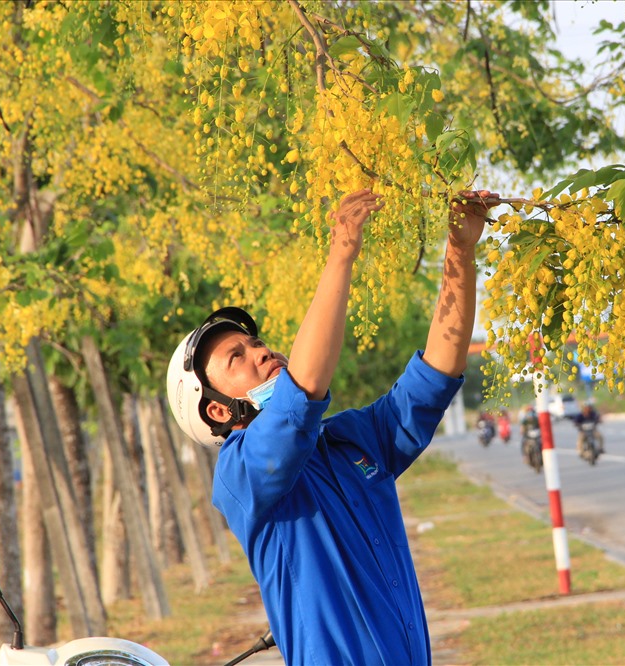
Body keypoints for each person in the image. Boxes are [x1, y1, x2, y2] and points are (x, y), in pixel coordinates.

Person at [166, 187, 499, 665]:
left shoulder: (349, 441)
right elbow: (302, 393)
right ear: (219, 411)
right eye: (237, 358)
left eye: (256, 341)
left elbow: (436, 376)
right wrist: (341, 252)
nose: (262, 352)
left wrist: (460, 250)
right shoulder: (240, 476)